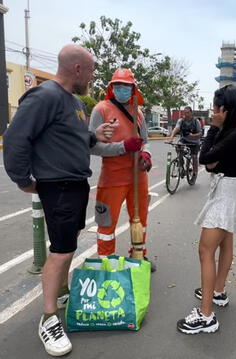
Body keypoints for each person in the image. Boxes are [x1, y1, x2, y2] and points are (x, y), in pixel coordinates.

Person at [3, 45, 142, 356]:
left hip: (77, 183)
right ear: (78, 69)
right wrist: (23, 179)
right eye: (92, 70)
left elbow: (82, 139)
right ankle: (49, 318)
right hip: (59, 185)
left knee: (69, 243)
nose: (94, 76)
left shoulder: (75, 102)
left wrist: (99, 136)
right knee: (62, 252)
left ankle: (63, 292)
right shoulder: (45, 96)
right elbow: (16, 138)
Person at [177, 85, 236, 334]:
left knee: (205, 249)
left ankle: (206, 315)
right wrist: (213, 159)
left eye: (215, 108)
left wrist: (212, 128)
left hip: (225, 195)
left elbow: (203, 159)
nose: (213, 112)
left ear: (226, 109)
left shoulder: (235, 135)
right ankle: (218, 291)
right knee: (225, 244)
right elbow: (210, 163)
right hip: (230, 190)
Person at [89, 68, 155, 270]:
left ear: (133, 88)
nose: (122, 90)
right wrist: (123, 147)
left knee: (140, 220)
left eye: (126, 86)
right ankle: (106, 262)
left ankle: (138, 257)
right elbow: (92, 146)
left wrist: (146, 155)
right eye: (118, 86)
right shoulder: (101, 109)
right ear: (111, 87)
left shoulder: (139, 113)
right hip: (112, 178)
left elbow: (146, 141)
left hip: (138, 177)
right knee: (106, 224)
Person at [168, 106, 202, 174]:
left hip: (194, 142)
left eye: (188, 113)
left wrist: (193, 136)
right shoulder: (181, 120)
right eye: (185, 113)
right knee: (178, 147)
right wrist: (171, 138)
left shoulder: (196, 121)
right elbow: (176, 129)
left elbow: (200, 133)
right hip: (184, 140)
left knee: (194, 156)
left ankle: (195, 171)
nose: (186, 114)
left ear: (191, 113)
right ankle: (181, 167)